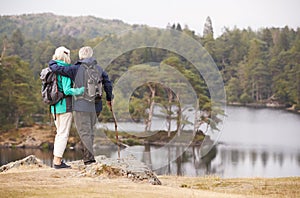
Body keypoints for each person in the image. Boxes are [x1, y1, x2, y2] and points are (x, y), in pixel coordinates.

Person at [48, 46, 113, 165]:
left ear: (80, 56)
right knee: (90, 131)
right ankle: (89, 157)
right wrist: (109, 99)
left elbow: (56, 68)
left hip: (81, 107)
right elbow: (108, 85)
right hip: (96, 106)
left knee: (84, 132)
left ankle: (88, 160)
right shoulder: (99, 69)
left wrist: (53, 60)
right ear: (91, 55)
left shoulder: (75, 69)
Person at [50, 46, 85, 169]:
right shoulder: (64, 70)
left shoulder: (51, 69)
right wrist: (81, 90)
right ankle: (57, 162)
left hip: (54, 106)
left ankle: (56, 160)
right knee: (63, 134)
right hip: (65, 105)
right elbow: (67, 90)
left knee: (59, 133)